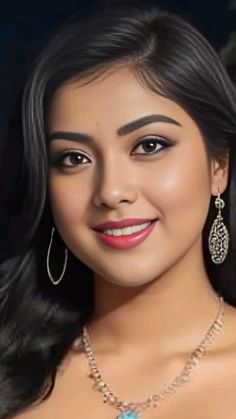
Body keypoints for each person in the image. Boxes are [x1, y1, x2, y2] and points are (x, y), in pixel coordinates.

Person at [1, 1, 236, 418]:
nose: (110, 191)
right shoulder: (11, 370)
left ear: (219, 166)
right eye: (73, 158)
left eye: (149, 146)